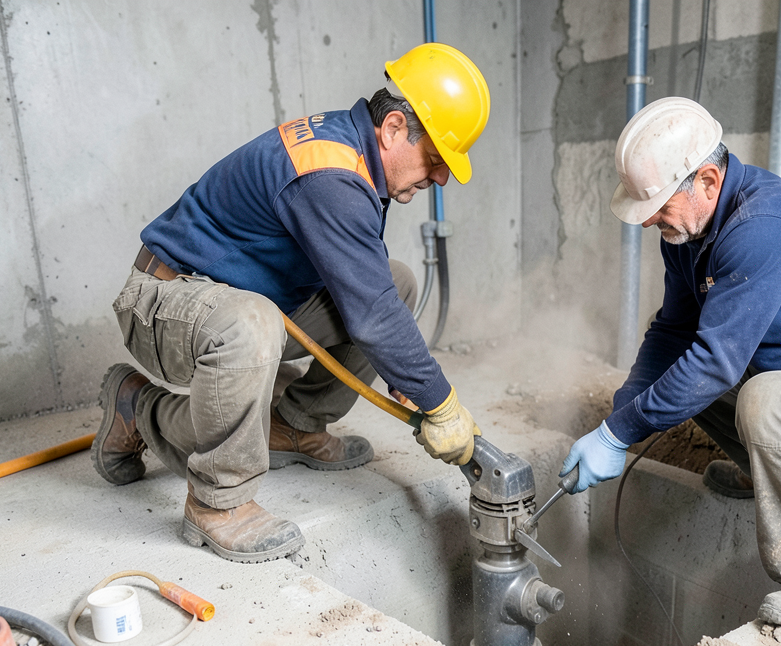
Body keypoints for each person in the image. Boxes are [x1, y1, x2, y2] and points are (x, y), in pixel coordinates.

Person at [91, 43, 488, 565]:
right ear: (393, 128)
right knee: (253, 324)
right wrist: (440, 403)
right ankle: (194, 474)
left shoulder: (353, 153)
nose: (439, 178)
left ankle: (293, 425)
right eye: (435, 160)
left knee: (399, 282)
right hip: (164, 299)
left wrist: (407, 375)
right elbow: (372, 313)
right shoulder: (330, 175)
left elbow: (371, 290)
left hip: (238, 298)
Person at [560, 97, 781, 633]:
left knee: (757, 396)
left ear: (708, 181)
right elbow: (672, 333)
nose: (650, 220)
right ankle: (775, 476)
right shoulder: (687, 235)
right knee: (686, 377)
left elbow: (716, 364)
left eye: (658, 205)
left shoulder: (762, 226)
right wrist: (620, 417)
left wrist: (618, 436)